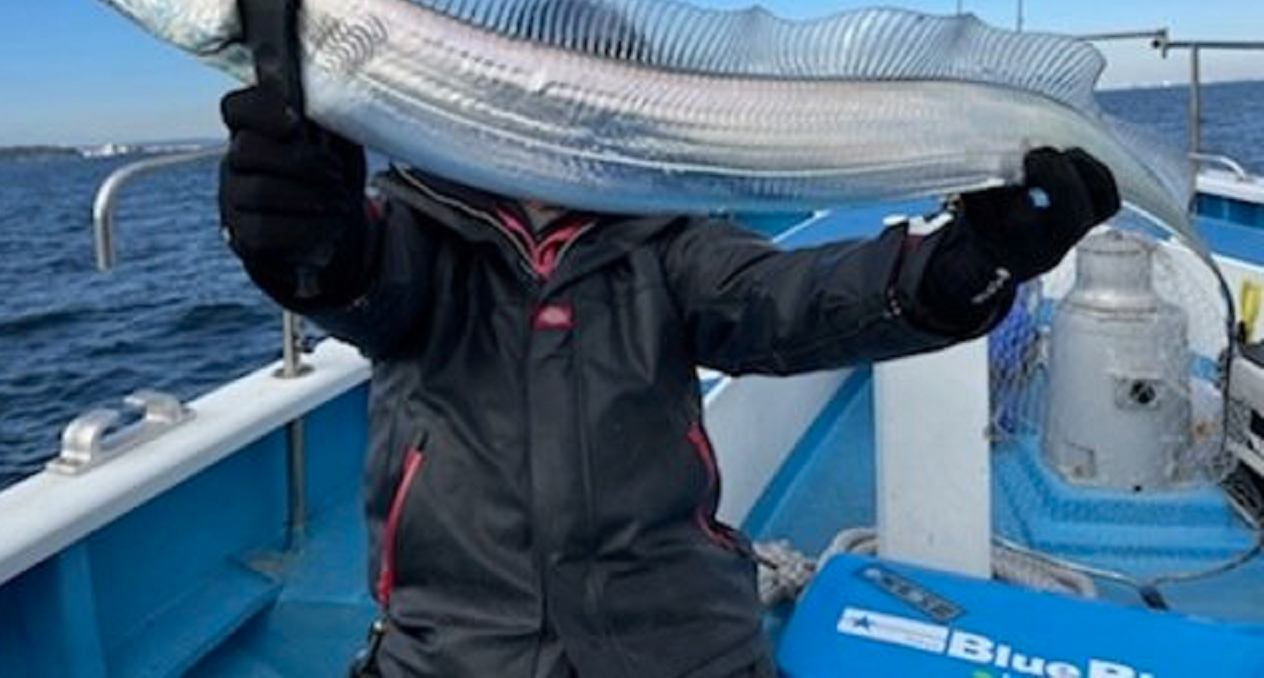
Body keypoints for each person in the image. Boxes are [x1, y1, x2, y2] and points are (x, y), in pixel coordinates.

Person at [218, 64, 1118, 677]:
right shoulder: (414, 233)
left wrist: (964, 267)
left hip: (684, 643)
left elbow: (792, 300)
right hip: (449, 654)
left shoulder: (669, 240)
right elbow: (349, 277)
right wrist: (299, 232)